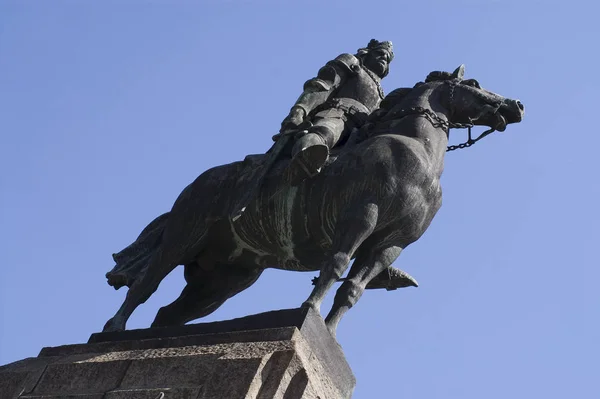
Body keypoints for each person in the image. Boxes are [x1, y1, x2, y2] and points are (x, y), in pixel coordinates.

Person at [277, 39, 394, 184]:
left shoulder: (382, 94)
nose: (384, 58)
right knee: (326, 132)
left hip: (360, 132)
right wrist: (299, 111)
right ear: (367, 53)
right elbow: (323, 86)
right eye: (380, 53)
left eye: (388, 59)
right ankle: (303, 162)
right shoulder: (353, 63)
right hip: (338, 115)